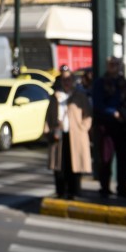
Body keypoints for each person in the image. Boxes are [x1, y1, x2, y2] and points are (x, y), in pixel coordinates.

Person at [92, 57, 126, 199]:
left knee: (123, 158)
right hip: (107, 124)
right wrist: (112, 112)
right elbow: (98, 104)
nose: (114, 67)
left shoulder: (124, 83)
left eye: (116, 64)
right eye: (111, 64)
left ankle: (123, 188)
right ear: (107, 66)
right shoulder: (100, 83)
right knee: (106, 158)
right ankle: (105, 187)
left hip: (123, 125)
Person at [45, 72, 92, 200]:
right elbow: (48, 116)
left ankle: (74, 192)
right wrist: (48, 131)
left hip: (76, 135)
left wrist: (83, 128)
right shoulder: (55, 97)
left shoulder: (79, 96)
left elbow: (87, 115)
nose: (66, 82)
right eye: (64, 79)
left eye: (69, 79)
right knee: (59, 166)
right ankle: (60, 192)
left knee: (75, 165)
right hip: (59, 135)